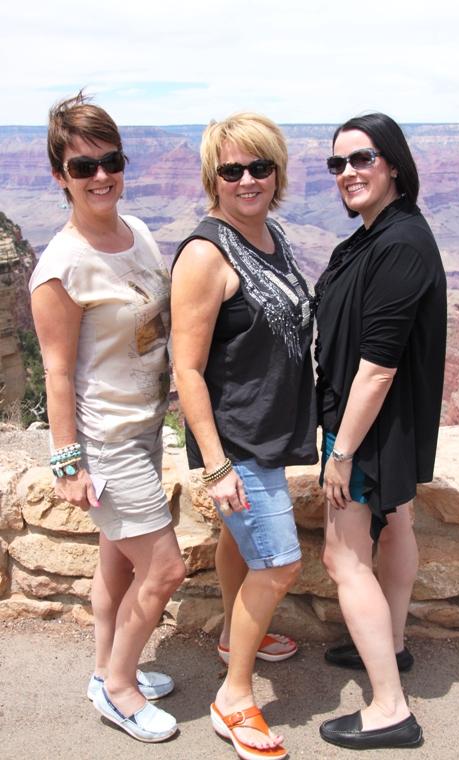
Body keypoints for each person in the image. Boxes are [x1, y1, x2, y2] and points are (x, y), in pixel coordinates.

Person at [30, 92, 186, 743]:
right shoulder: (61, 269)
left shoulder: (138, 232)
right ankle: (119, 691)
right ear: (60, 176)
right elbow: (58, 374)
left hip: (146, 428)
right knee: (165, 568)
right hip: (107, 441)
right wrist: (68, 462)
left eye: (110, 160)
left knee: (117, 564)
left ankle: (104, 669)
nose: (100, 176)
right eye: (82, 166)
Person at [171, 112, 317, 760]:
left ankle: (235, 636)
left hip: (266, 431)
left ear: (277, 171)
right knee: (280, 561)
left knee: (242, 546)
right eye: (232, 170)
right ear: (213, 178)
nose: (248, 179)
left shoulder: (269, 234)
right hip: (232, 445)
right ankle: (233, 697)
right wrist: (215, 467)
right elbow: (186, 367)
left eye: (260, 166)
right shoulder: (206, 254)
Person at [314, 113, 447, 750]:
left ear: (392, 163)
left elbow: (377, 367)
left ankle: (390, 708)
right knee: (397, 525)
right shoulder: (377, 235)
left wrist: (339, 453)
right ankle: (392, 645)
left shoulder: (398, 244)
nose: (348, 173)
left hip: (367, 427)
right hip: (388, 425)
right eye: (337, 164)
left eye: (362, 159)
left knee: (342, 556)